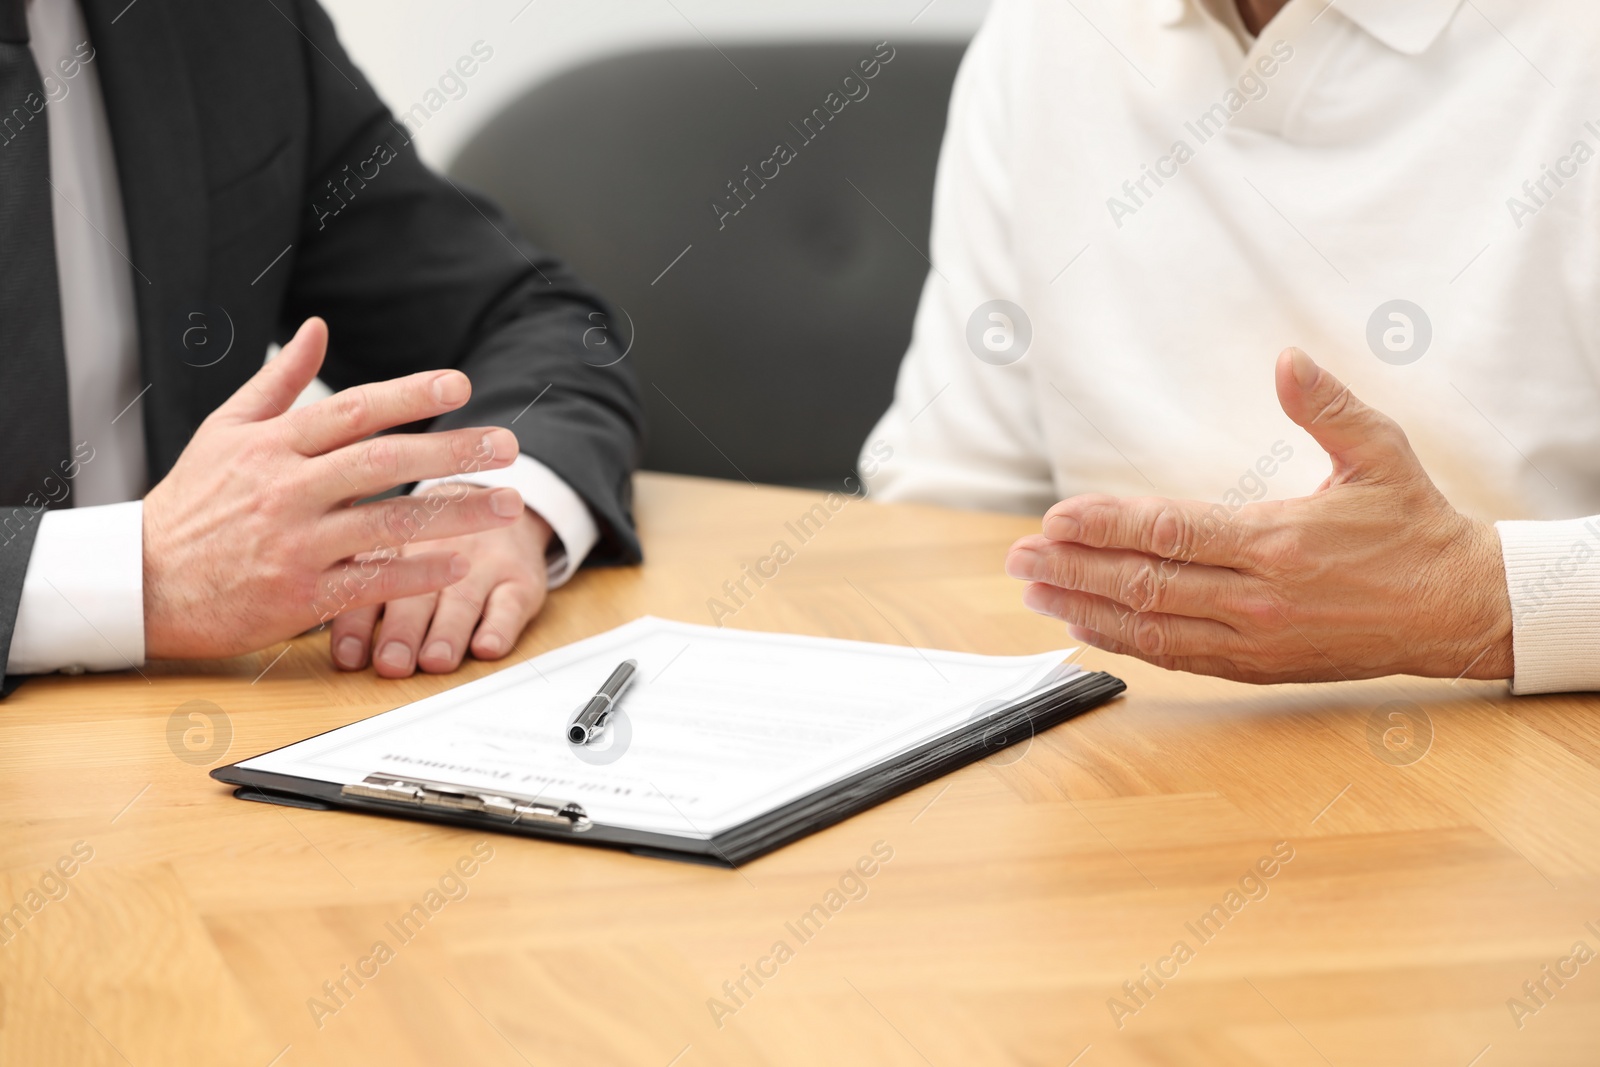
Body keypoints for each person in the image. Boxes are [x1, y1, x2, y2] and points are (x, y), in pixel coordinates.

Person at [861, 0, 1600, 693]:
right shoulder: (1045, 28)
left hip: (1527, 771)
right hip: (1130, 761)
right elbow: (949, 498)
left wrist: (1478, 598)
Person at [0, 0, 642, 695]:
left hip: (202, 727)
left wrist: (482, 505)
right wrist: (139, 575)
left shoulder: (232, 22)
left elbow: (533, 321)